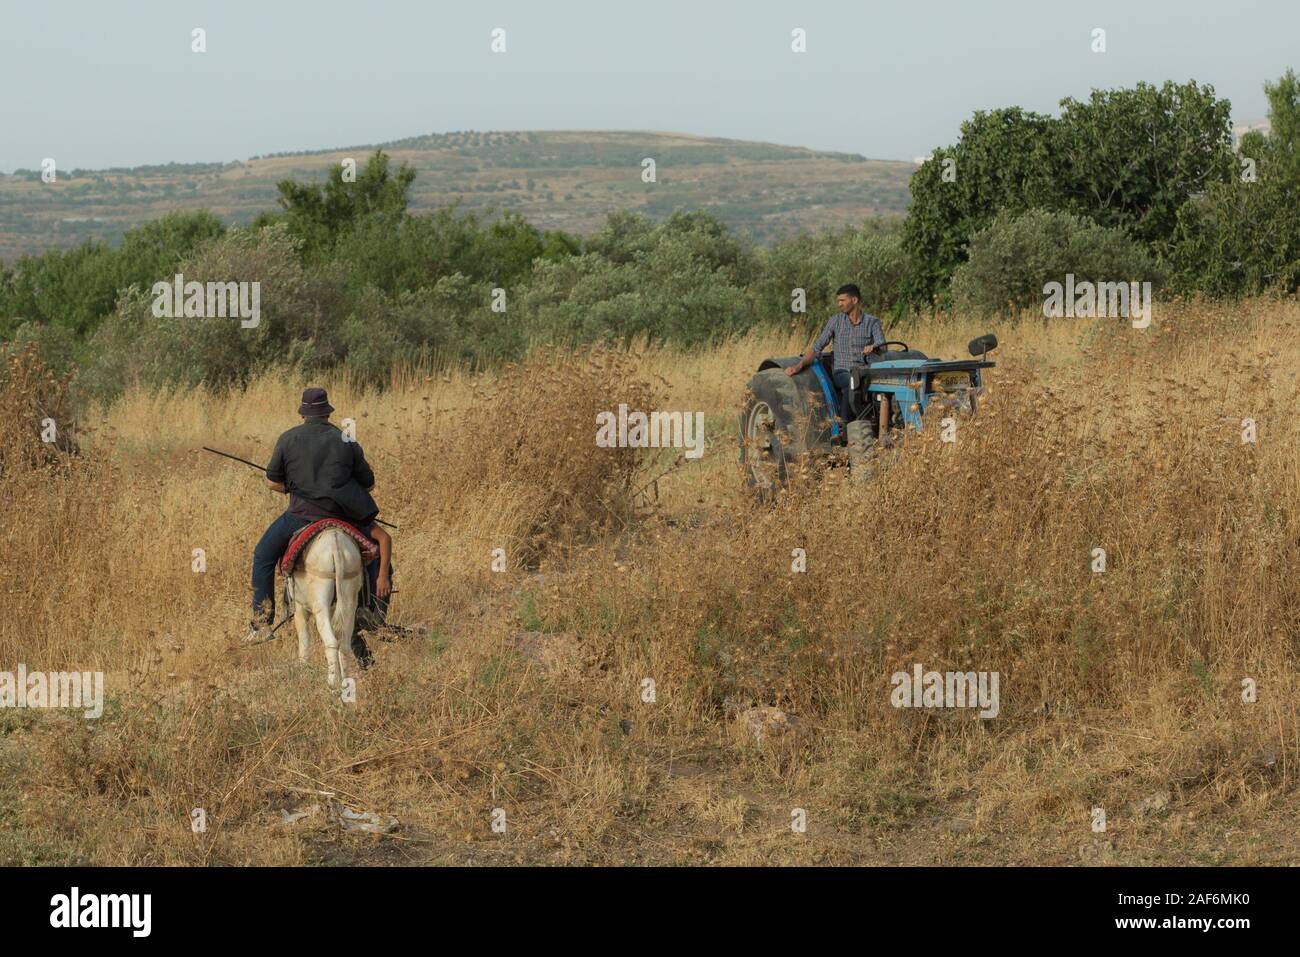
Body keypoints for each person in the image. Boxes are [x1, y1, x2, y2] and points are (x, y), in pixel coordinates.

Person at [245, 387, 392, 658]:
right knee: (378, 552)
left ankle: (261, 623)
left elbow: (272, 482)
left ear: (303, 414)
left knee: (262, 555)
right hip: (344, 515)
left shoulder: (287, 439)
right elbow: (368, 484)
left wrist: (294, 486)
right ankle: (374, 613)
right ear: (327, 413)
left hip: (300, 515)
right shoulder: (346, 439)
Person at [785, 283, 885, 431]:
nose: (839, 304)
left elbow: (882, 346)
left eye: (842, 300)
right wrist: (800, 365)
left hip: (866, 371)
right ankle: (845, 424)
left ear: (854, 300)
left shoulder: (872, 322)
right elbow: (818, 347)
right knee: (852, 380)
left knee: (873, 383)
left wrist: (874, 347)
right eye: (838, 301)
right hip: (842, 372)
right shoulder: (836, 321)